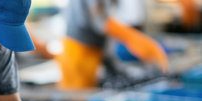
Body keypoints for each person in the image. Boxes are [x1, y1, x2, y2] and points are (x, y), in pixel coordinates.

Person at [33, 0, 169, 90]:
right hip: (78, 52)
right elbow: (99, 21)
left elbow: (104, 22)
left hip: (93, 50)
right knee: (76, 99)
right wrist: (132, 37)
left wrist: (113, 63)